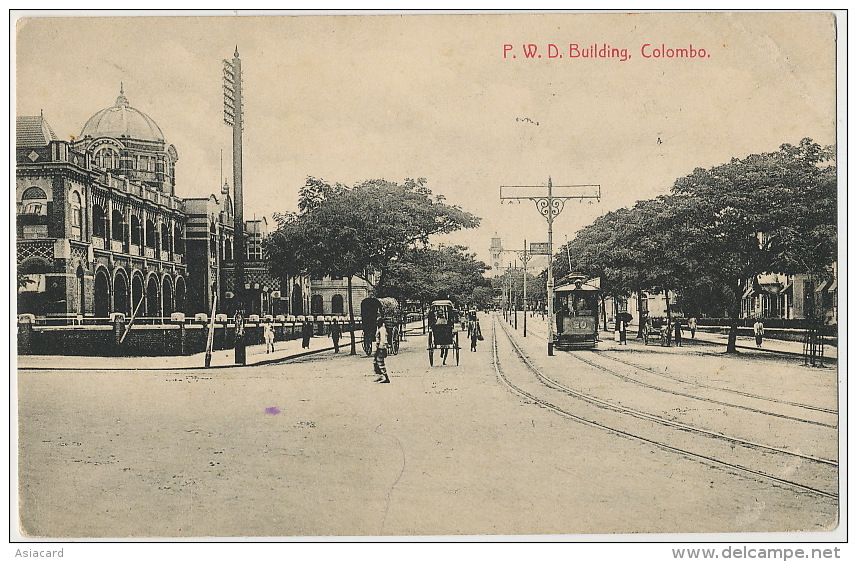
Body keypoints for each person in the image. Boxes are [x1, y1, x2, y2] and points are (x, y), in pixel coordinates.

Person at [373, 319, 390, 383]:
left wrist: (383, 347)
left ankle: (386, 377)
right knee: (376, 362)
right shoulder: (380, 329)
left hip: (381, 347)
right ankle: (380, 376)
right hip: (379, 347)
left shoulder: (382, 329)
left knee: (380, 362)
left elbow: (383, 339)